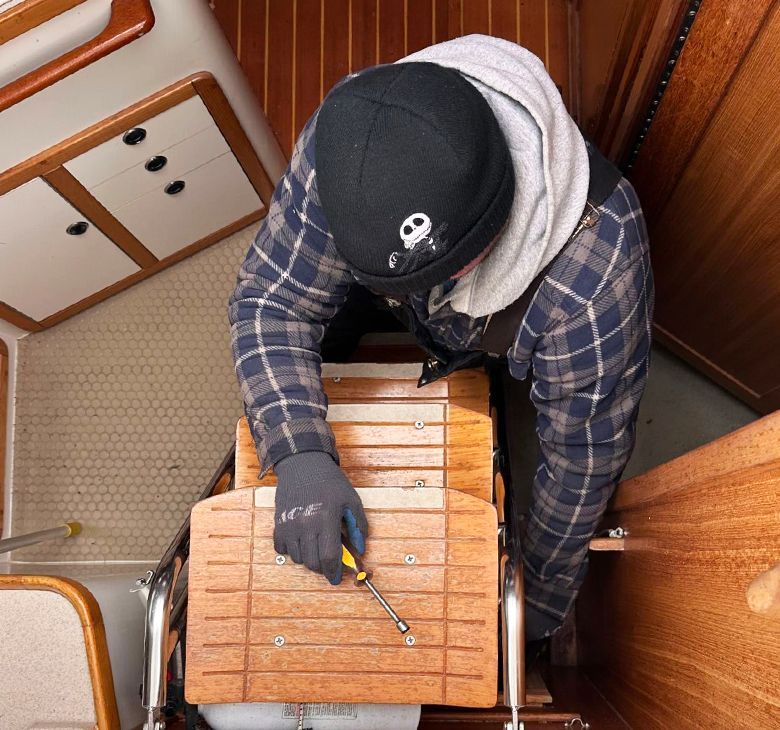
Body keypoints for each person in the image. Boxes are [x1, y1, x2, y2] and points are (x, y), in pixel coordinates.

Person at [229, 35, 653, 642]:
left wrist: (538, 596)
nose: (425, 292)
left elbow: (584, 458)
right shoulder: (350, 143)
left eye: (443, 271)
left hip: (506, 330)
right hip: (385, 297)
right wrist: (299, 454)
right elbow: (271, 300)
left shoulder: (597, 272)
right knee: (317, 329)